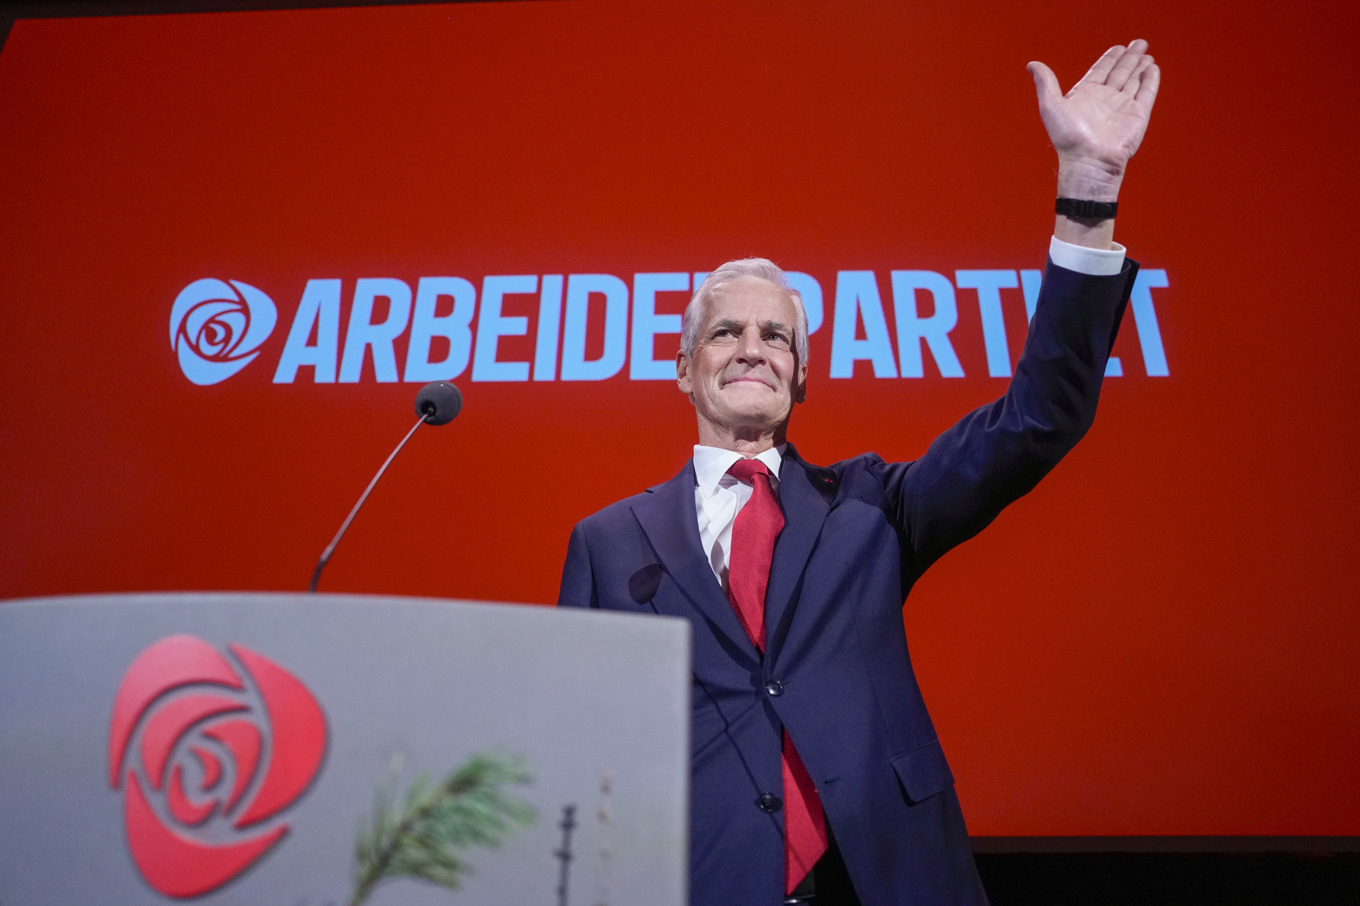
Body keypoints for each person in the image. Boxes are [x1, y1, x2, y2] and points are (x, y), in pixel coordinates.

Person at [558, 40, 1160, 906]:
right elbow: (577, 746)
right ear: (685, 368)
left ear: (801, 375)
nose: (753, 349)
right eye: (726, 333)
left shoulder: (873, 506)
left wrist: (1089, 190)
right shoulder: (608, 541)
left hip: (889, 877)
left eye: (777, 337)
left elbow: (1038, 418)